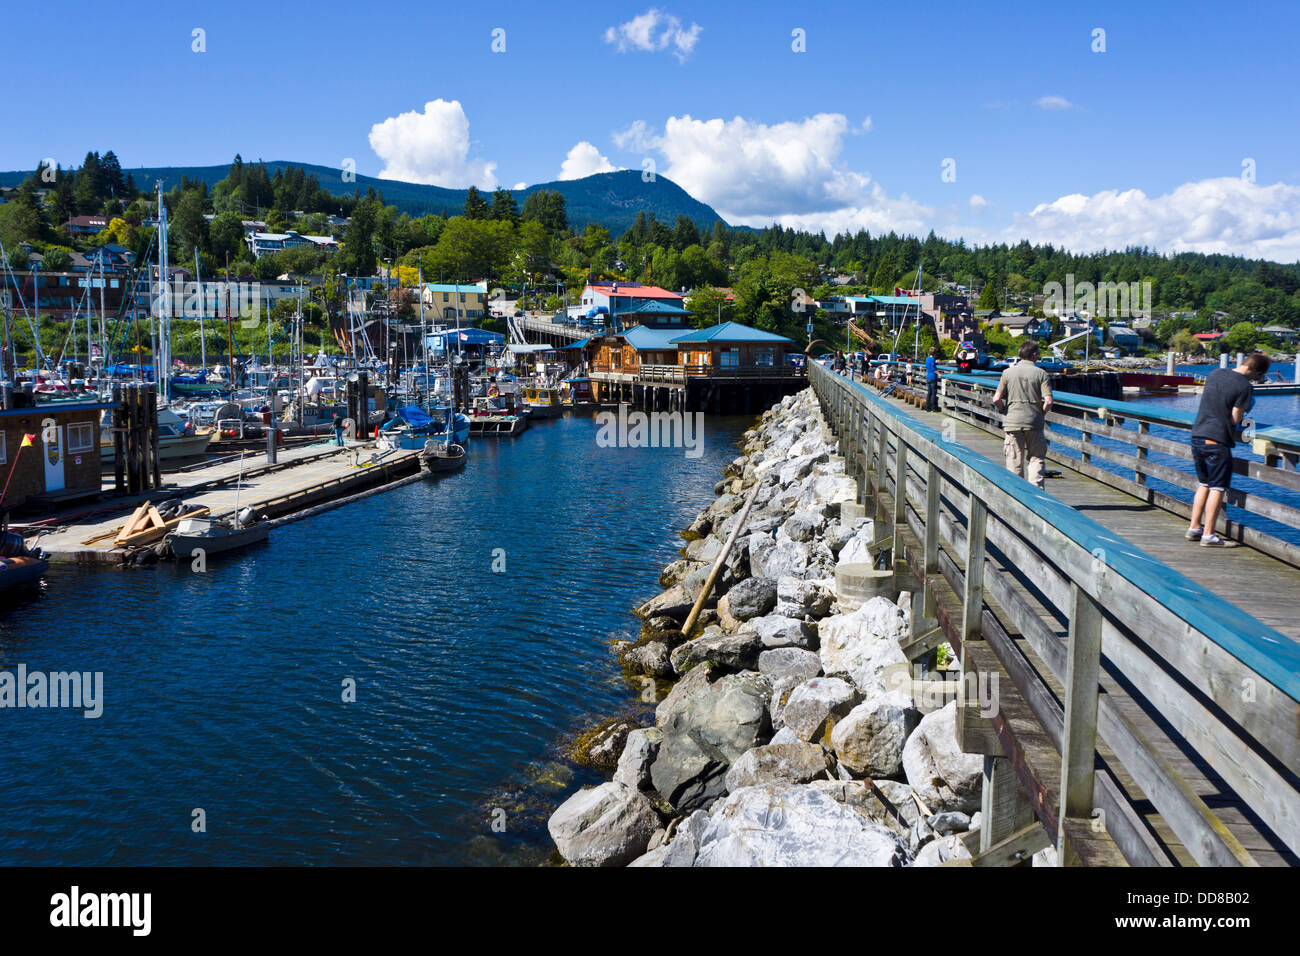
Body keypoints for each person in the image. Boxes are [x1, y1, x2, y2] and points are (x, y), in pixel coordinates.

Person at [1186, 352, 1270, 547]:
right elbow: (1235, 418)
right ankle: (1208, 535)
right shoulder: (1244, 387)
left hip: (1198, 435)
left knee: (1203, 484)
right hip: (1217, 441)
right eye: (1261, 376)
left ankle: (1194, 527)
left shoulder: (1215, 373)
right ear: (1256, 371)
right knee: (1217, 487)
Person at [993, 340, 1053, 489]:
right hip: (1034, 422)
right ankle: (1036, 495)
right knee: (1036, 458)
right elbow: (1049, 401)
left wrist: (1003, 410)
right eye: (1037, 354)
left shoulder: (1007, 373)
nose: (1038, 356)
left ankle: (1016, 495)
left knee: (1014, 461)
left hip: (1012, 421)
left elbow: (996, 399)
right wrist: (1041, 413)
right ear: (1033, 355)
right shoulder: (1041, 374)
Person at [924, 346, 940, 411]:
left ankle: (927, 407)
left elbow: (929, 366)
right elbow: (933, 368)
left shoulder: (927, 359)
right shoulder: (933, 359)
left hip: (928, 376)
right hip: (933, 377)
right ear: (934, 353)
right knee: (933, 393)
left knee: (929, 393)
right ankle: (933, 408)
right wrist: (939, 374)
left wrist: (935, 362)